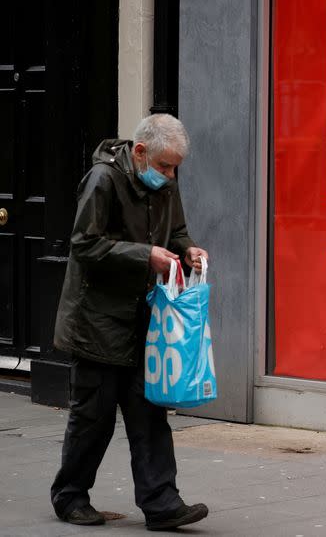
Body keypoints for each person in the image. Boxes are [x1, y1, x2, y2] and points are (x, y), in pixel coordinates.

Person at [50, 114, 210, 530]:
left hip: (143, 319)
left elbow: (176, 231)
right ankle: (70, 497)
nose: (170, 176)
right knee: (93, 417)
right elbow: (84, 244)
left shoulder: (164, 183)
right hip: (97, 323)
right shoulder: (102, 180)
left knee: (150, 412)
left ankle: (162, 503)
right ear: (140, 152)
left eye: (175, 168)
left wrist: (189, 250)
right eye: (164, 166)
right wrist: (146, 256)